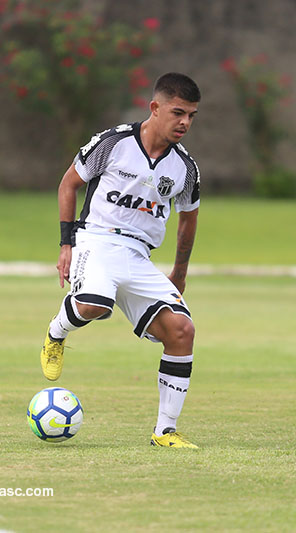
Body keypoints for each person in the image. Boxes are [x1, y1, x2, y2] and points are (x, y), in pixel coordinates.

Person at [39, 72, 202, 448]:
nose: (185, 123)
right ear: (155, 107)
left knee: (182, 331)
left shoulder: (185, 168)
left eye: (191, 116)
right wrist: (66, 245)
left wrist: (179, 272)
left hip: (139, 256)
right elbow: (69, 184)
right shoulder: (113, 143)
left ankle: (165, 432)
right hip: (95, 240)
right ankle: (57, 332)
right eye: (178, 113)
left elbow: (188, 220)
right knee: (95, 304)